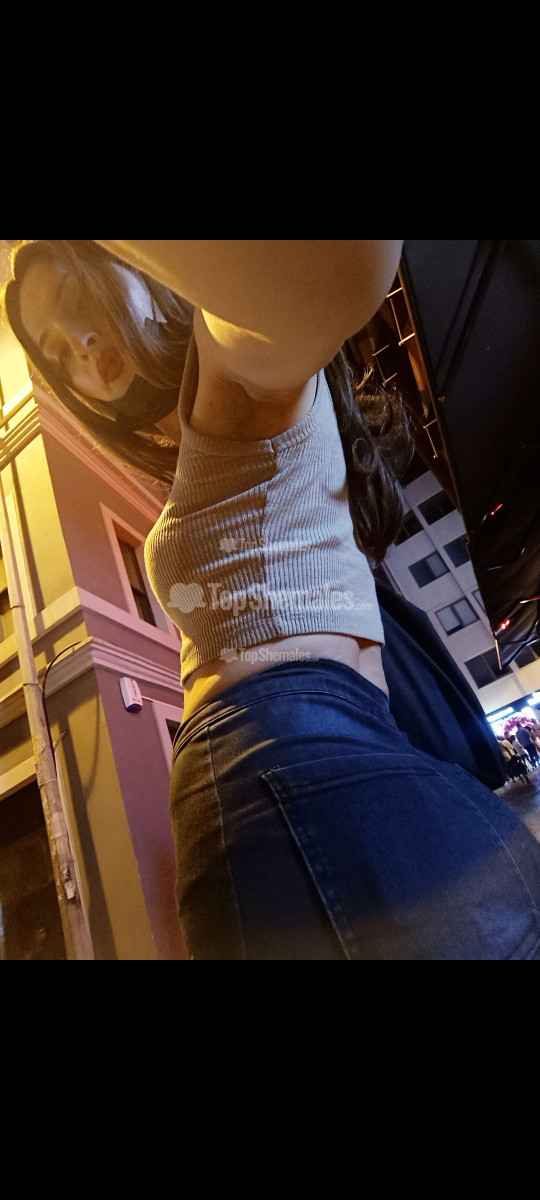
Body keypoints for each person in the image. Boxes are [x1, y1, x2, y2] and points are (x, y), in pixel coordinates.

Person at [4, 238, 540, 961]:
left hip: (293, 772)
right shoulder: (207, 422)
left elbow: (345, 265)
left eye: (77, 301)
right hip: (308, 769)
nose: (80, 344)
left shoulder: (231, 371)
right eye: (55, 349)